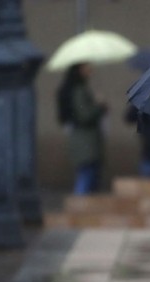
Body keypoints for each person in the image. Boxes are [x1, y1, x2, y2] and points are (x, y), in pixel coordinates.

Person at [57, 63, 107, 194]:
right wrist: (99, 106)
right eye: (86, 67)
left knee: (87, 176)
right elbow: (84, 115)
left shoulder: (78, 89)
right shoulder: (79, 90)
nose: (90, 70)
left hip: (84, 140)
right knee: (86, 178)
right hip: (86, 141)